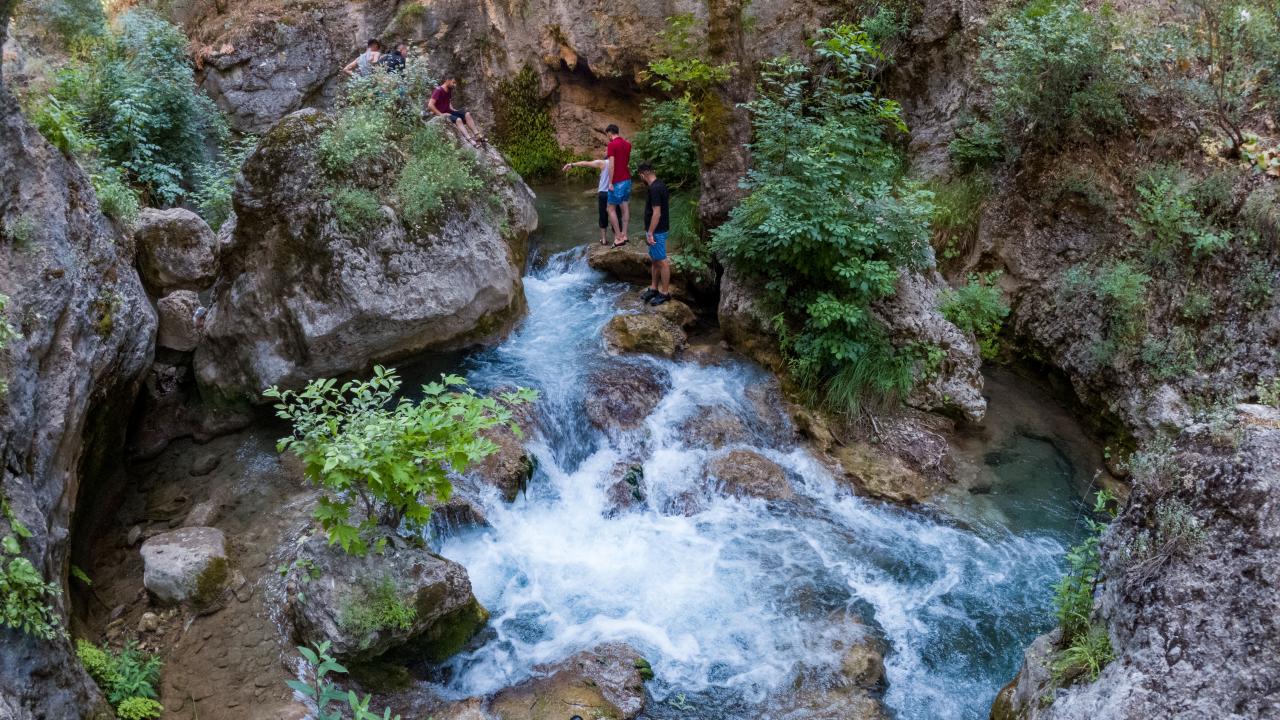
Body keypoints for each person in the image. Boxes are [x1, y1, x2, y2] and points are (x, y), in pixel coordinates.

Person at [637, 162, 671, 306]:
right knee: (655, 260)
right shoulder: (659, 184)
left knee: (662, 261)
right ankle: (654, 288)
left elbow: (657, 213)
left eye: (640, 177)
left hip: (657, 230)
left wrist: (650, 232)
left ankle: (665, 292)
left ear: (643, 174)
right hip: (658, 229)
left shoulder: (655, 189)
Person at [562, 156, 616, 245]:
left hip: (603, 193)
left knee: (603, 216)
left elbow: (585, 163)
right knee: (615, 215)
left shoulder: (603, 163)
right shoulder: (618, 164)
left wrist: (572, 164)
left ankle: (604, 240)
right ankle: (616, 239)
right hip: (614, 192)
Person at [429, 76, 485, 145]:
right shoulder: (438, 90)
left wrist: (453, 110)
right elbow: (430, 105)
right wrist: (441, 115)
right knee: (458, 120)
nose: (454, 85)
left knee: (467, 114)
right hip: (442, 114)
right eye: (453, 83)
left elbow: (448, 101)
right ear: (447, 80)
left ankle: (478, 135)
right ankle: (469, 139)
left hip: (449, 112)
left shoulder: (449, 89)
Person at [604, 123, 632, 247]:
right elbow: (625, 162)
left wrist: (610, 182)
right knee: (625, 207)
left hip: (617, 181)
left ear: (610, 132)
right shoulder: (628, 145)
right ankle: (625, 234)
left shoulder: (611, 145)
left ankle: (618, 237)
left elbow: (612, 165)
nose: (608, 137)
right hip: (627, 180)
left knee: (610, 209)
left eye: (607, 134)